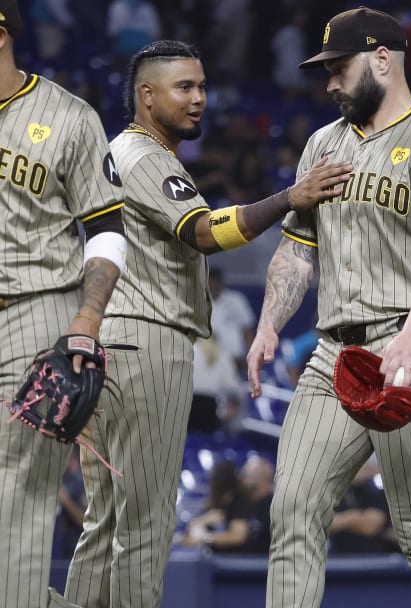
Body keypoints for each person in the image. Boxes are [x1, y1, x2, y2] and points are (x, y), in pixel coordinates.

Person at [63, 40, 351, 608]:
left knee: (105, 524)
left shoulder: (120, 153)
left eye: (201, 86)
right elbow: (204, 232)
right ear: (146, 96)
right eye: (184, 88)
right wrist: (291, 197)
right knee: (144, 526)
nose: (199, 99)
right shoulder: (144, 157)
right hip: (146, 342)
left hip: (109, 344)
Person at [245, 8, 411, 607]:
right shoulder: (323, 144)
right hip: (334, 355)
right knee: (292, 508)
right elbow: (297, 252)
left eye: (339, 67)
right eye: (325, 70)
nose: (329, 82)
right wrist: (269, 323)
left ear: (382, 59)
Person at [0, 2, 127, 605]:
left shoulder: (68, 117)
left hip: (35, 305)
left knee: (20, 485)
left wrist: (86, 318)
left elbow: (106, 229)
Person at [182, 456, 275, 554]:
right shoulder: (215, 505)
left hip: (245, 560)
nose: (244, 479)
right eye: (245, 475)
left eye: (251, 476)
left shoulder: (241, 502)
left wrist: (205, 537)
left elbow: (238, 537)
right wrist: (203, 521)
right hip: (217, 559)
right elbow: (189, 539)